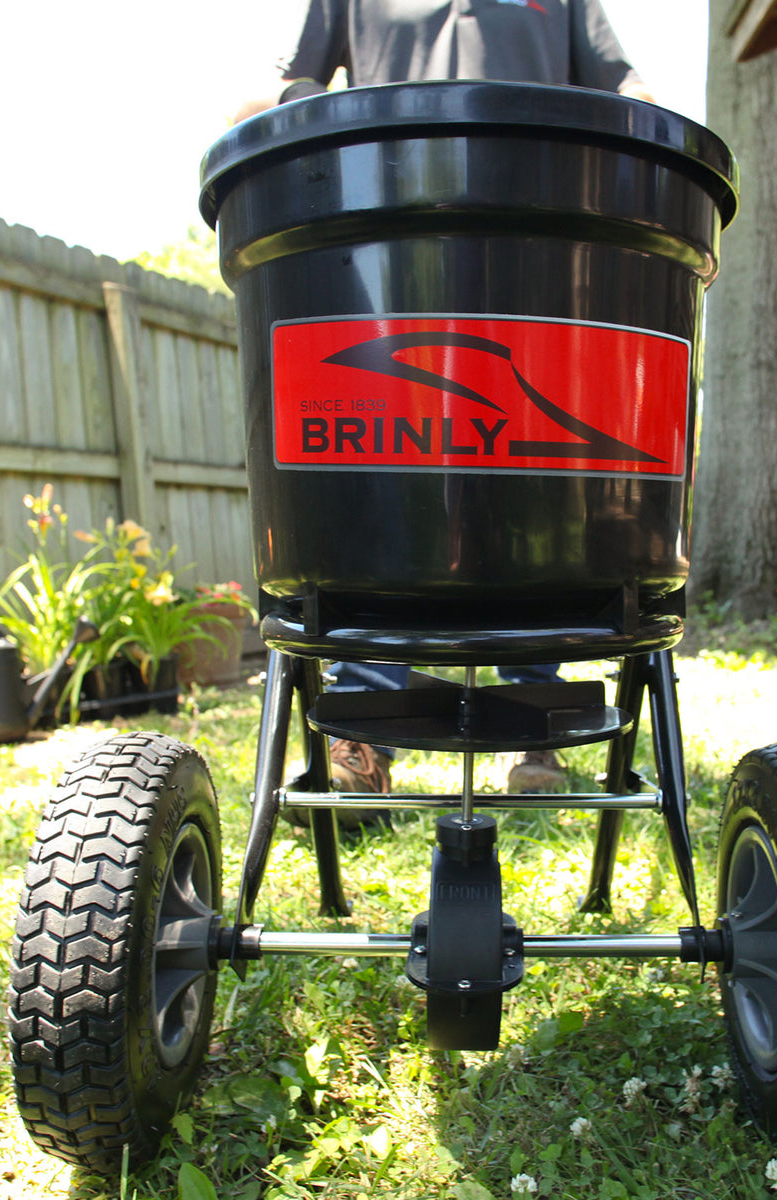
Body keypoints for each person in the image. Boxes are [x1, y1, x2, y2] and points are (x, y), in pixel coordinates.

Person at [235, 0, 656, 800]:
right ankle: (360, 738)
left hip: (541, 244)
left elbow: (619, 78)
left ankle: (536, 733)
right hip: (382, 243)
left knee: (533, 496)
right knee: (375, 493)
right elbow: (296, 81)